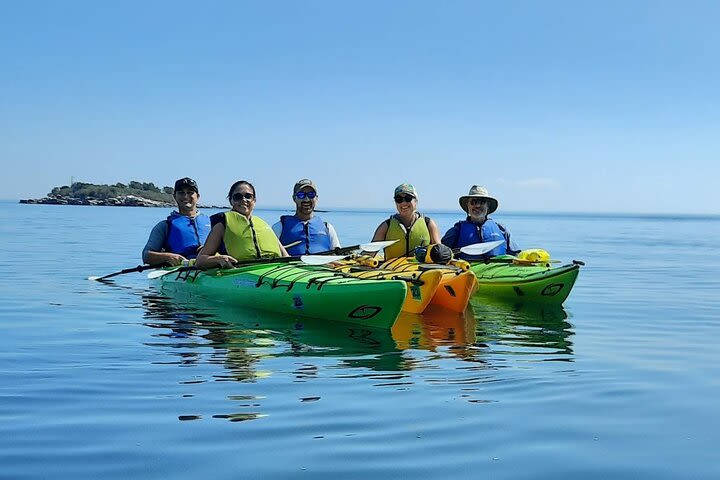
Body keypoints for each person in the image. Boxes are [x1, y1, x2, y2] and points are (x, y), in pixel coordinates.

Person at [196, 180, 288, 269]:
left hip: (272, 270)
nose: (244, 200)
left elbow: (287, 257)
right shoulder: (222, 225)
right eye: (237, 197)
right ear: (231, 201)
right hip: (240, 273)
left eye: (248, 196)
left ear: (254, 200)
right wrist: (219, 259)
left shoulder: (263, 225)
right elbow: (200, 260)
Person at [142, 177, 211, 266]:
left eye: (190, 193)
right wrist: (168, 257)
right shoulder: (164, 226)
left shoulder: (213, 222)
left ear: (197, 196)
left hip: (211, 266)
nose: (185, 196)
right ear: (175, 196)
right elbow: (146, 256)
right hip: (182, 268)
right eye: (181, 193)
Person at [441, 185, 520, 260]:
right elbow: (441, 253)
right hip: (468, 271)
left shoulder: (502, 230)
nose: (477, 206)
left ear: (487, 206)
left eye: (482, 202)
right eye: (473, 202)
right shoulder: (457, 230)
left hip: (497, 270)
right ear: (467, 206)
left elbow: (515, 255)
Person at [371, 183, 441, 259]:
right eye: (399, 199)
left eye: (408, 198)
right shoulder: (385, 226)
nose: (403, 203)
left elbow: (440, 251)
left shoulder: (429, 224)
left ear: (416, 201)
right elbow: (370, 252)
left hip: (421, 269)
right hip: (393, 269)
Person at [272, 179, 341, 255]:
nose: (306, 199)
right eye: (301, 195)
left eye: (311, 194)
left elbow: (337, 254)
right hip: (292, 266)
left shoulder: (328, 228)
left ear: (316, 198)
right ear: (294, 198)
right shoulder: (279, 227)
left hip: (323, 266)